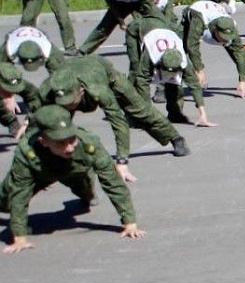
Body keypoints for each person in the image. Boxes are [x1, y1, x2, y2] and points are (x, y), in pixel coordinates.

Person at [3, 105, 143, 251]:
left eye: (71, 140)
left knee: (86, 194)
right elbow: (19, 193)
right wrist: (19, 237)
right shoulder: (26, 151)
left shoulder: (88, 143)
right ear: (43, 141)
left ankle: (86, 190)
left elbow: (113, 182)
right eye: (60, 143)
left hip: (75, 171)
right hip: (40, 173)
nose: (69, 147)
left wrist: (130, 223)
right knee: (5, 200)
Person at [31, 55, 190, 169]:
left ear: (81, 91)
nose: (69, 106)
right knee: (57, 121)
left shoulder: (97, 88)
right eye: (63, 102)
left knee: (140, 110)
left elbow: (118, 121)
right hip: (72, 71)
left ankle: (176, 138)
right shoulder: (49, 88)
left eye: (71, 102)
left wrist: (122, 159)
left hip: (104, 72)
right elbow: (37, 118)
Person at [180, 0, 245, 95]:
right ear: (215, 30)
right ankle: (173, 83)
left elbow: (239, 54)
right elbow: (192, 46)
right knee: (179, 48)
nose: (226, 40)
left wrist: (242, 81)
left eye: (228, 38)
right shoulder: (199, 21)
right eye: (223, 38)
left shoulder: (232, 26)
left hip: (216, 15)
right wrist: (199, 70)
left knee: (240, 51)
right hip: (193, 15)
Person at [76, 0, 164, 55]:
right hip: (121, 5)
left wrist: (149, 13)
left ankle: (166, 42)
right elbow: (113, 6)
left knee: (156, 19)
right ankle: (84, 50)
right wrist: (121, 22)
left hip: (139, 2)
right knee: (104, 26)